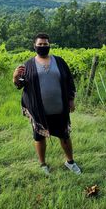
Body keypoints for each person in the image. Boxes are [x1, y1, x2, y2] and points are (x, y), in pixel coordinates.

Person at [12, 33, 81, 175]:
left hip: (59, 108)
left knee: (65, 136)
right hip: (38, 110)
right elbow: (20, 85)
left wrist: (71, 100)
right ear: (34, 46)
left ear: (49, 45)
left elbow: (69, 81)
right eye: (40, 44)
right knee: (39, 136)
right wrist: (15, 77)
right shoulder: (28, 65)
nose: (43, 46)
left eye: (45, 44)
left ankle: (70, 162)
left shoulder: (59, 62)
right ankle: (43, 164)